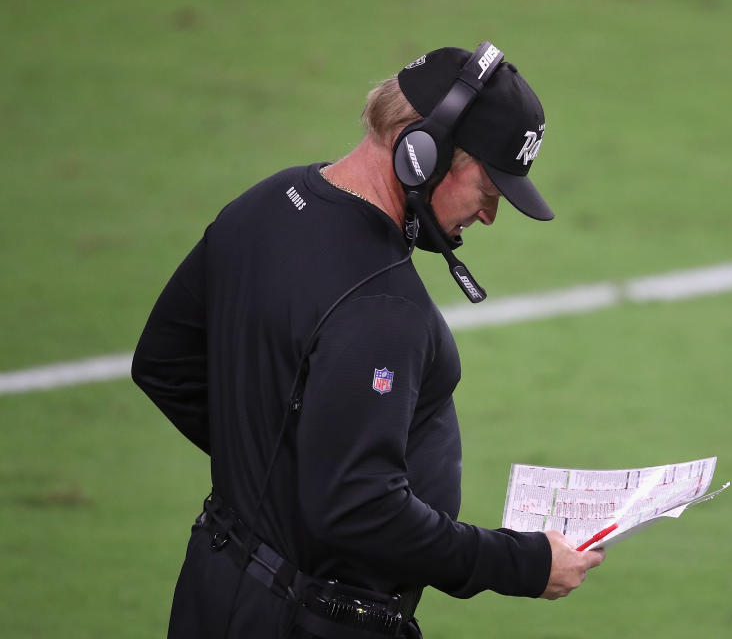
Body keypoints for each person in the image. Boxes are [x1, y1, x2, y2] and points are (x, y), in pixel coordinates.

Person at [132, 43, 604, 639]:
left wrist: (274, 484)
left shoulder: (267, 203)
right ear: (422, 151)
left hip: (216, 582)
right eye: (488, 188)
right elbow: (360, 508)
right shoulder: (383, 308)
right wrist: (524, 563)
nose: (490, 215)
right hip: (309, 621)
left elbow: (164, 364)